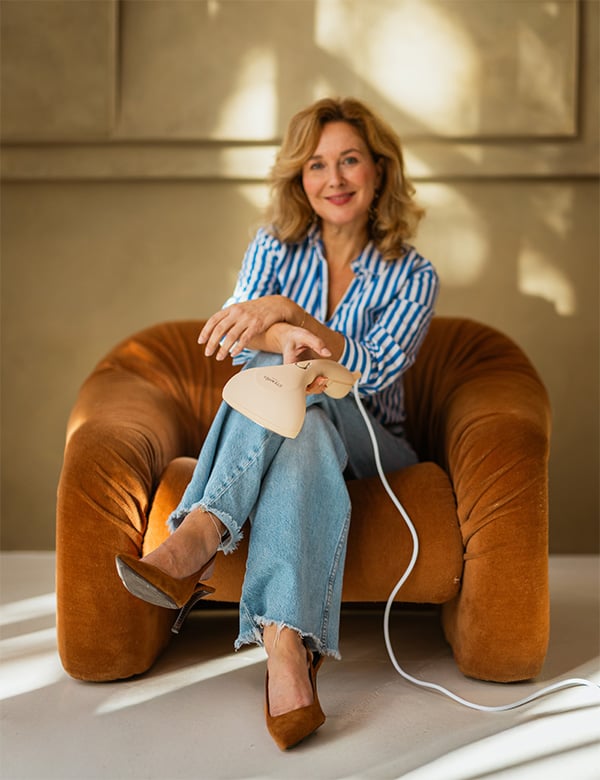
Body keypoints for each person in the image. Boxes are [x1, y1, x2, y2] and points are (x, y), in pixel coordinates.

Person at [115, 96, 439, 750]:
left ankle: (202, 529)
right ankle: (287, 652)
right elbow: (240, 345)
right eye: (317, 165)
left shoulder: (413, 273)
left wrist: (290, 318)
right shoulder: (272, 246)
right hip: (305, 427)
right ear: (301, 179)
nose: (335, 178)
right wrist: (286, 335)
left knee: (309, 384)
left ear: (378, 170)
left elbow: (371, 369)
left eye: (350, 160)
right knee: (299, 408)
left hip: (373, 440)